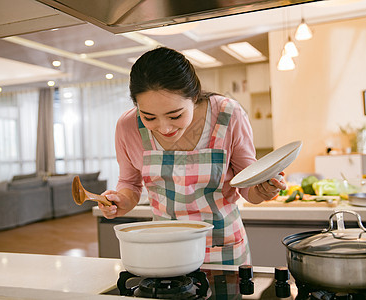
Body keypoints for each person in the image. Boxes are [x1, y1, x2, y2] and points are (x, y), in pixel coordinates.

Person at [99, 47, 287, 265]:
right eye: (149, 117)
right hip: (165, 250)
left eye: (175, 115)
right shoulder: (128, 126)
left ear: (194, 96)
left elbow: (248, 189)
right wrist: (121, 201)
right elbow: (129, 183)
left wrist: (263, 189)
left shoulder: (228, 115)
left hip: (224, 250)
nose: (164, 127)